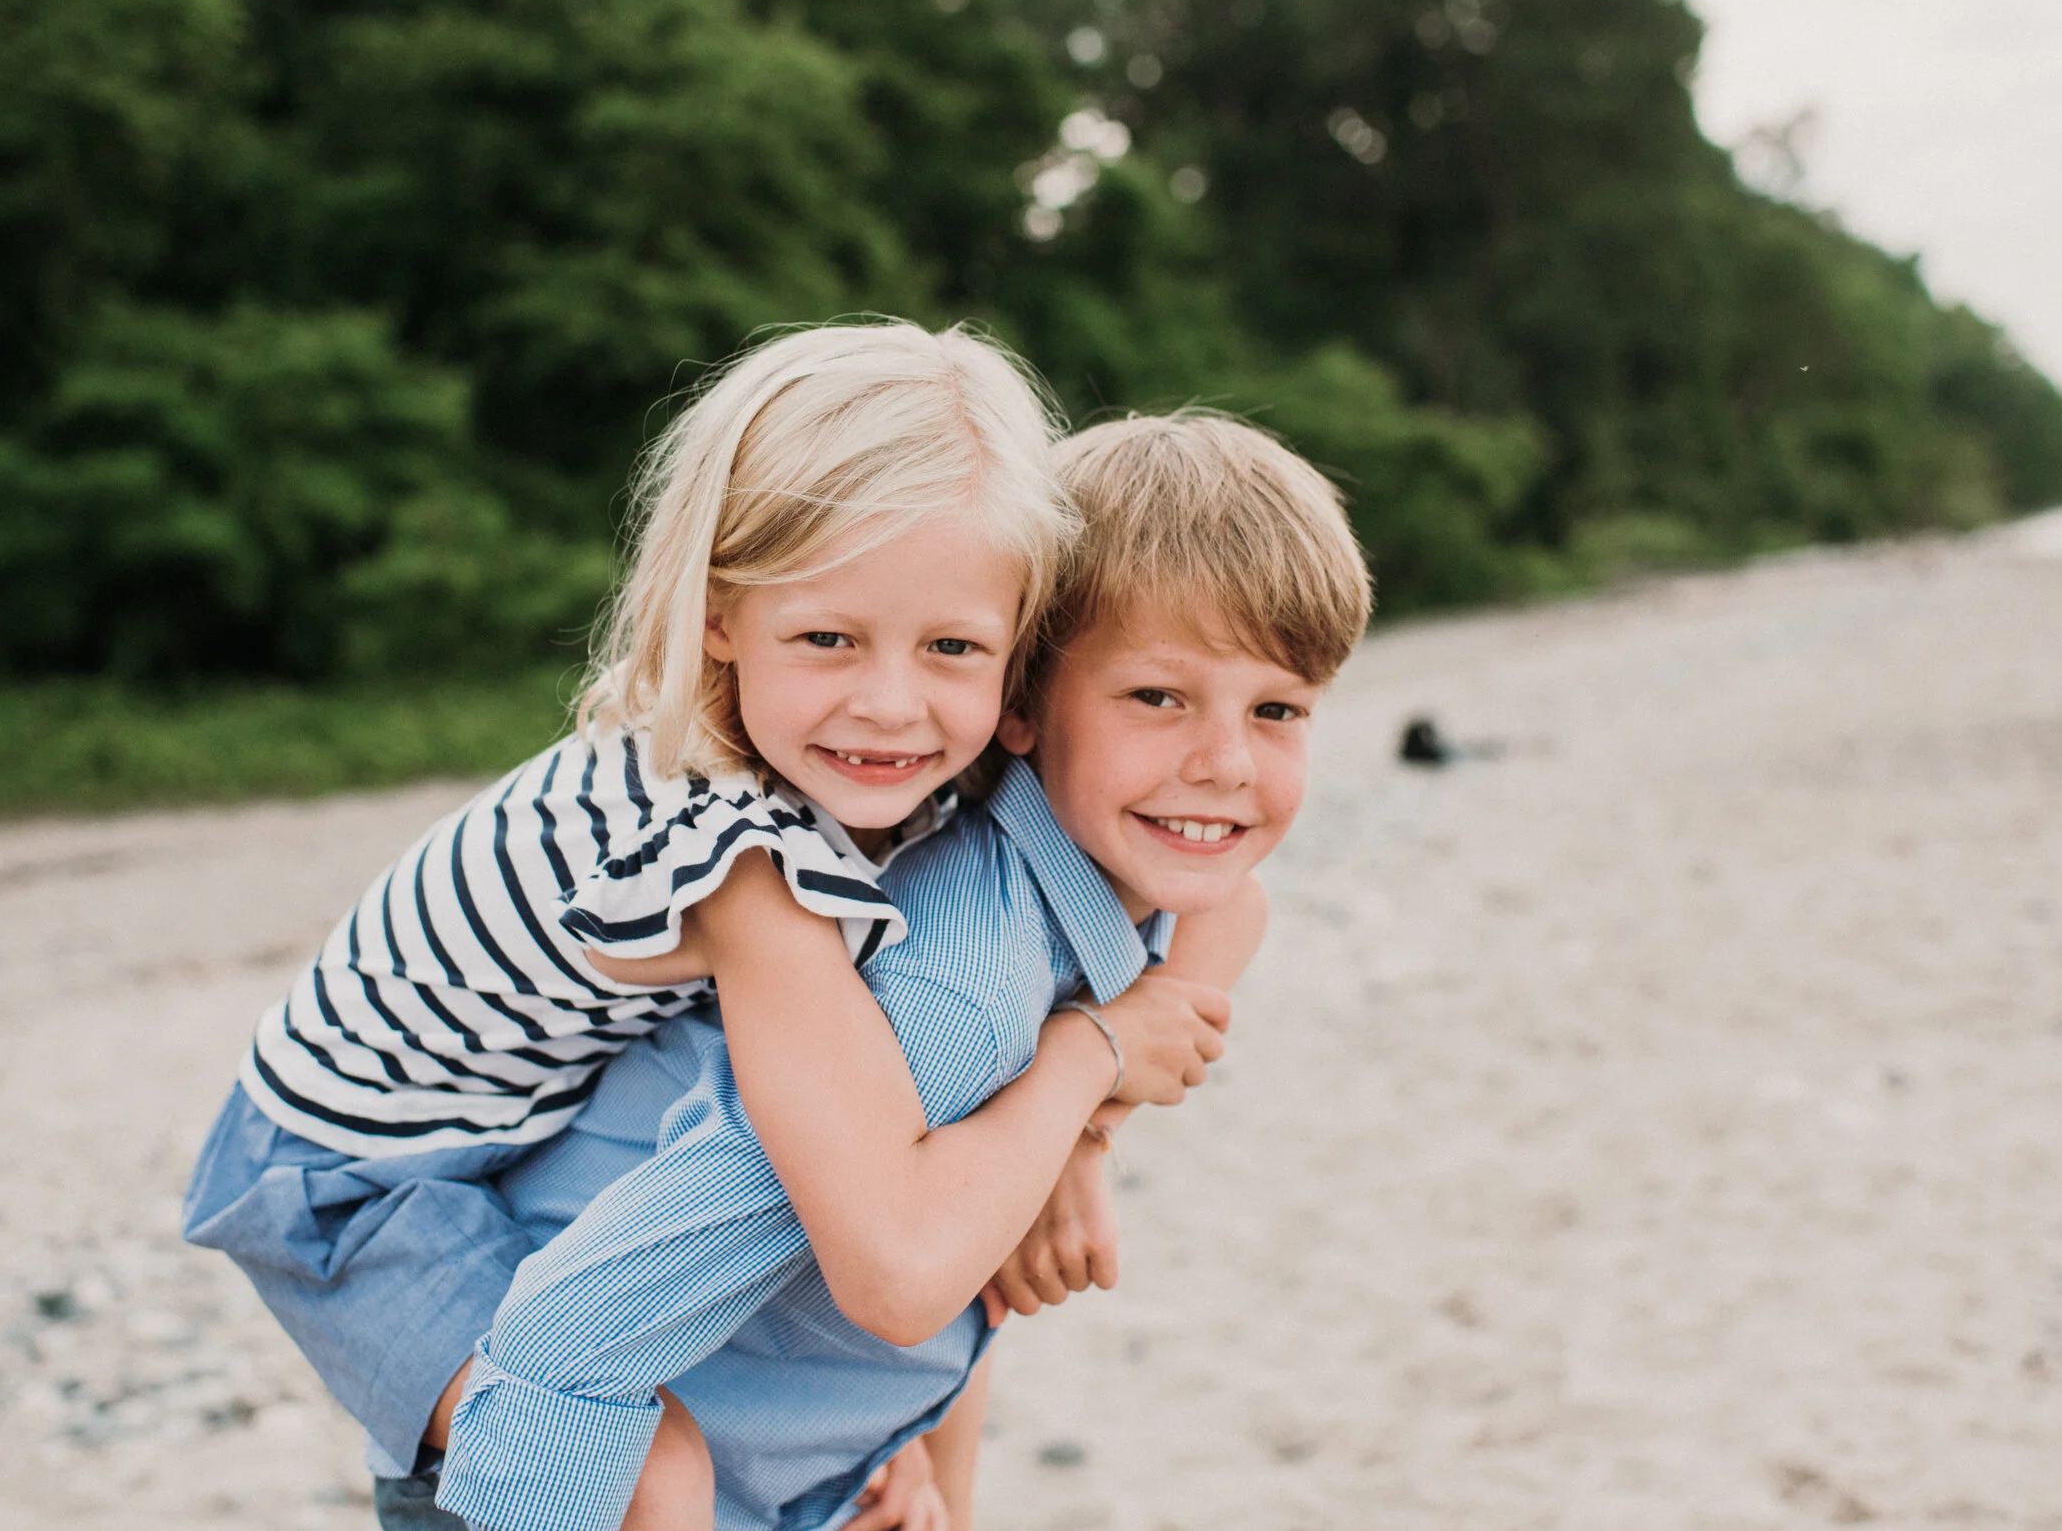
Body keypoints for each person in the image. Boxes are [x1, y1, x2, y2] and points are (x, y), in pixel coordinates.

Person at [181, 324, 1236, 1516]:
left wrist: (1082, 1145)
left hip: (527, 1110)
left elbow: (1220, 888)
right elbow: (880, 1218)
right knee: (645, 1467)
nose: (891, 704)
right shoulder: (738, 852)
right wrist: (1086, 1068)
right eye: (826, 637)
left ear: (1017, 654)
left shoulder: (900, 762)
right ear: (721, 616)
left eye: (952, 647)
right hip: (343, 1175)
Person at [430, 412, 1374, 1531]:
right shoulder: (961, 992)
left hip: (826, 1457)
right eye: (1157, 698)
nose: (1222, 764)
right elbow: (571, 1337)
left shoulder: (1117, 889)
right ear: (1018, 703)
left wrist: (1079, 1135)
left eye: (1276, 710)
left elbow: (1231, 920)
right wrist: (1088, 1063)